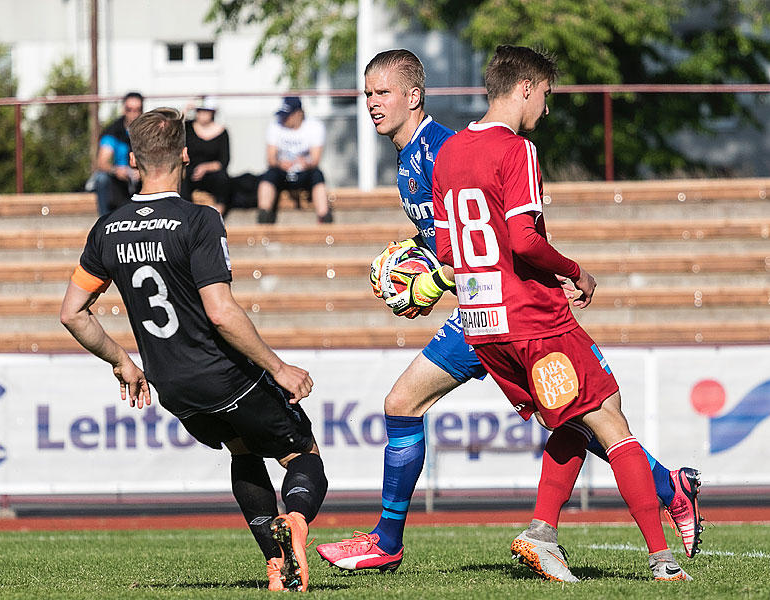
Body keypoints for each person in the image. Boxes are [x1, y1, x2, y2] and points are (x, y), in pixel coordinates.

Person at [316, 49, 701, 576]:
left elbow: (492, 235)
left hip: (492, 309)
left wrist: (432, 278)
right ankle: (661, 493)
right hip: (487, 308)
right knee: (583, 415)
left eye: (382, 93)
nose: (372, 104)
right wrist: (413, 264)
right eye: (367, 94)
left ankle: (390, 540)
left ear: (414, 95)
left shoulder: (444, 149)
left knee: (579, 415)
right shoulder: (411, 159)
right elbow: (456, 235)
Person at [431, 45, 692, 582]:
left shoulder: (449, 153)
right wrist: (575, 271)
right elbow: (525, 240)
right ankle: (663, 562)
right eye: (546, 95)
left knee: (573, 421)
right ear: (525, 88)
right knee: (612, 419)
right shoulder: (516, 149)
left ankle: (543, 534)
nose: (546, 109)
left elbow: (450, 255)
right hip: (533, 321)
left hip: (482, 326)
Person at [60, 107, 327, 592]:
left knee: (241, 450)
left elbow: (72, 312)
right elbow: (221, 312)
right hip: (225, 374)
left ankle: (276, 565)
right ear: (184, 154)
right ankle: (296, 521)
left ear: (135, 161)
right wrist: (279, 367)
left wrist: (123, 362)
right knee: (301, 454)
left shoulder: (107, 228)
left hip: (173, 387)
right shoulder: (200, 220)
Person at [257, 96, 332, 224]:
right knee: (268, 177)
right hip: (282, 172)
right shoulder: (275, 126)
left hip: (305, 172)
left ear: (298, 114)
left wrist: (306, 163)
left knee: (317, 176)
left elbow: (315, 160)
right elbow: (271, 158)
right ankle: (264, 217)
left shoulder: (314, 126)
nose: (283, 119)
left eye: (287, 115)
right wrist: (280, 163)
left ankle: (324, 218)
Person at [181, 96, 235, 216]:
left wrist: (205, 168)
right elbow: (173, 127)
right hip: (190, 172)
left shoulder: (221, 132)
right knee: (181, 179)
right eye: (199, 111)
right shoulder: (188, 128)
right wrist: (186, 109)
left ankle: (218, 215)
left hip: (212, 172)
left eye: (205, 111)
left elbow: (224, 161)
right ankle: (187, 216)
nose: (202, 115)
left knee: (223, 179)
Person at [93, 92, 144, 216]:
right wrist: (116, 170)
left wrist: (144, 172)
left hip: (143, 178)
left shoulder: (147, 131)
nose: (134, 114)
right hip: (118, 179)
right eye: (129, 110)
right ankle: (104, 220)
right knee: (101, 179)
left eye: (137, 110)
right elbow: (101, 162)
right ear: (123, 110)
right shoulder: (113, 131)